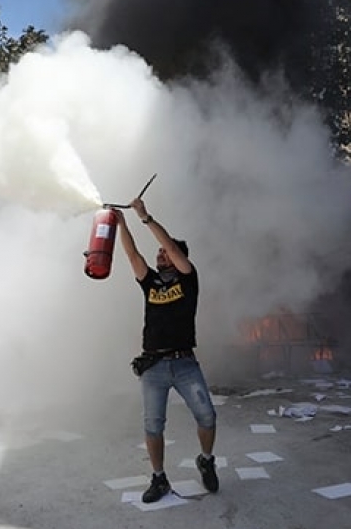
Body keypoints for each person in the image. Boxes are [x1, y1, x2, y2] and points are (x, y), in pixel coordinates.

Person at [112, 198, 219, 504]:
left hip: (185, 363)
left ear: (179, 258)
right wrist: (123, 224)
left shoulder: (189, 279)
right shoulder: (151, 283)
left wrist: (145, 218)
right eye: (159, 253)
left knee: (207, 417)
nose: (161, 254)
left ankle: (206, 460)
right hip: (153, 366)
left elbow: (171, 247)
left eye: (166, 252)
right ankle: (159, 479)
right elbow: (132, 254)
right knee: (153, 425)